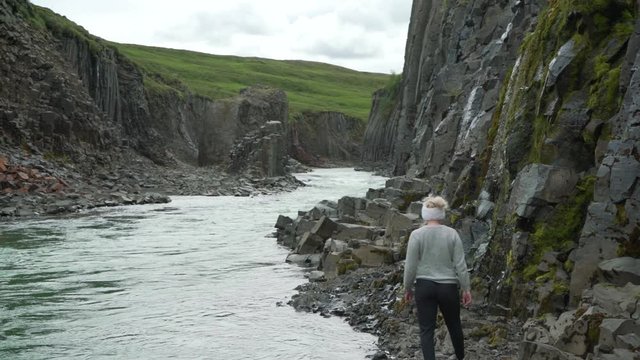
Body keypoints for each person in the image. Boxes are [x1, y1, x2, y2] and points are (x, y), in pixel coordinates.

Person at [403, 196, 472, 360]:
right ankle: (460, 357)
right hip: (448, 287)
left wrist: (407, 288)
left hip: (424, 286)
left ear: (425, 214)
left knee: (426, 329)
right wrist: (466, 288)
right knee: (454, 325)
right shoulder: (452, 234)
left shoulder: (416, 235)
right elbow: (460, 265)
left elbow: (410, 266)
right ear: (441, 214)